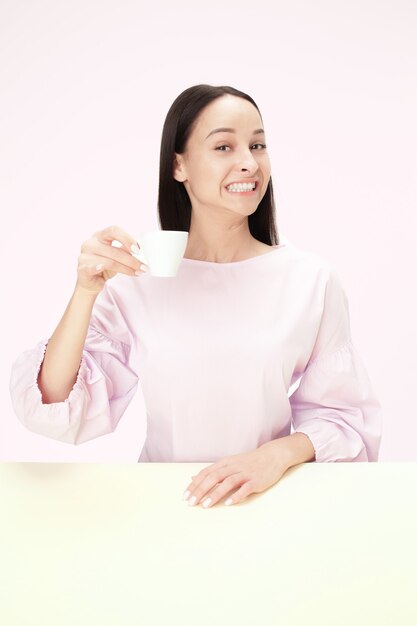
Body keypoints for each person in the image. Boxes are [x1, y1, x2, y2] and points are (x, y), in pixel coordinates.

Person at [9, 84, 382, 509]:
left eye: (257, 145)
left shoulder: (310, 281)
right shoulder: (138, 281)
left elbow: (346, 420)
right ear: (178, 166)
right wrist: (84, 293)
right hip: (163, 507)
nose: (249, 163)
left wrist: (274, 456)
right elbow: (53, 406)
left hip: (269, 506)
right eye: (224, 146)